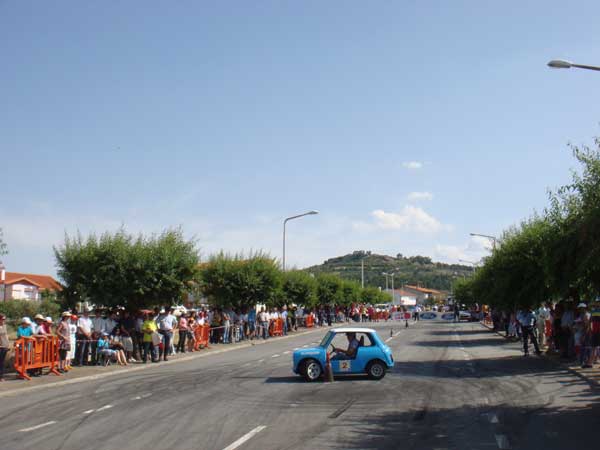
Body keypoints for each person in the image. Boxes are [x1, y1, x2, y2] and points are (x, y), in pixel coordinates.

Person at [0, 314, 9, 382]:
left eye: (4, 319)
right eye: (3, 319)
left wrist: (7, 344)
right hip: (0, 346)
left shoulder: (4, 326)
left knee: (2, 362)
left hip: (5, 346)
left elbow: (6, 336)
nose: (4, 320)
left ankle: (1, 376)